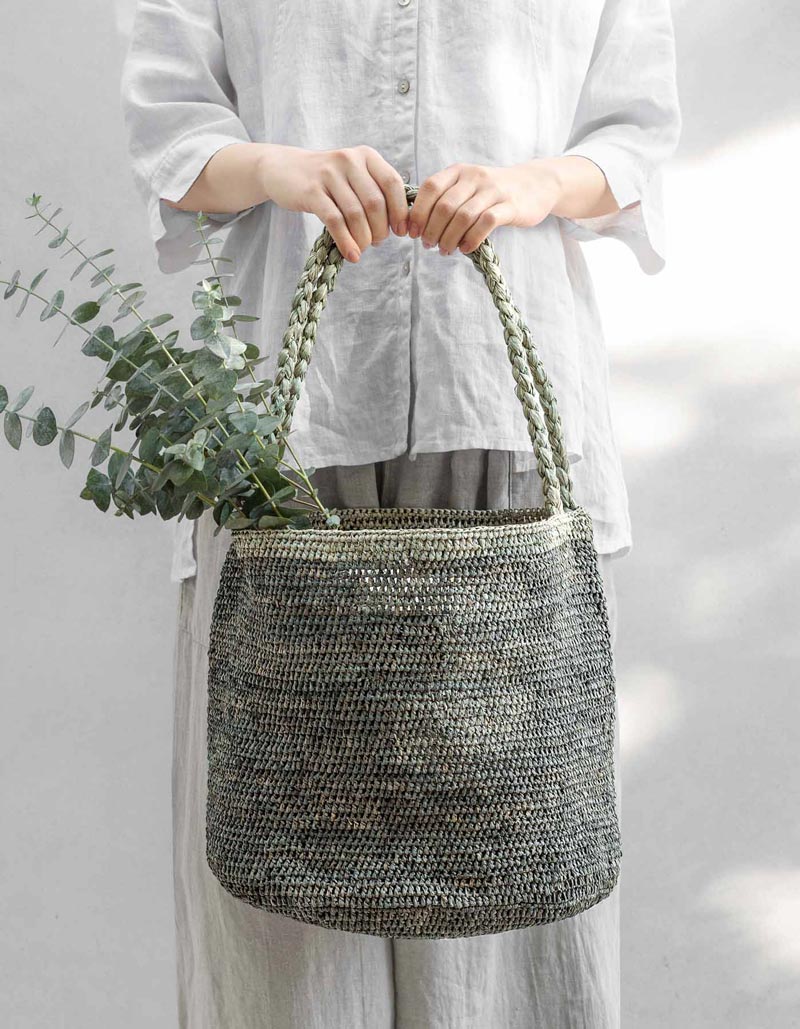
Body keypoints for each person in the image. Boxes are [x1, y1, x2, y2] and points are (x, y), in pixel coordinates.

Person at [120, 1, 681, 1025]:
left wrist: (533, 183)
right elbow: (170, 129)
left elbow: (633, 134)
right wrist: (279, 167)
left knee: (517, 888)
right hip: (286, 441)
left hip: (504, 432)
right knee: (282, 913)